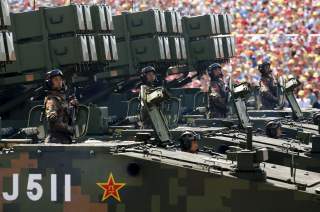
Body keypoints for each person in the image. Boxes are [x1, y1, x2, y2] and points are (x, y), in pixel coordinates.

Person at [44, 69, 78, 144]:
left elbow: (63, 113)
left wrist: (72, 105)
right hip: (56, 140)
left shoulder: (61, 98)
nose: (59, 82)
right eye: (56, 80)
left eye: (60, 79)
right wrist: (69, 129)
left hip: (64, 139)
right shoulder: (51, 100)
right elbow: (53, 121)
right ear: (50, 83)